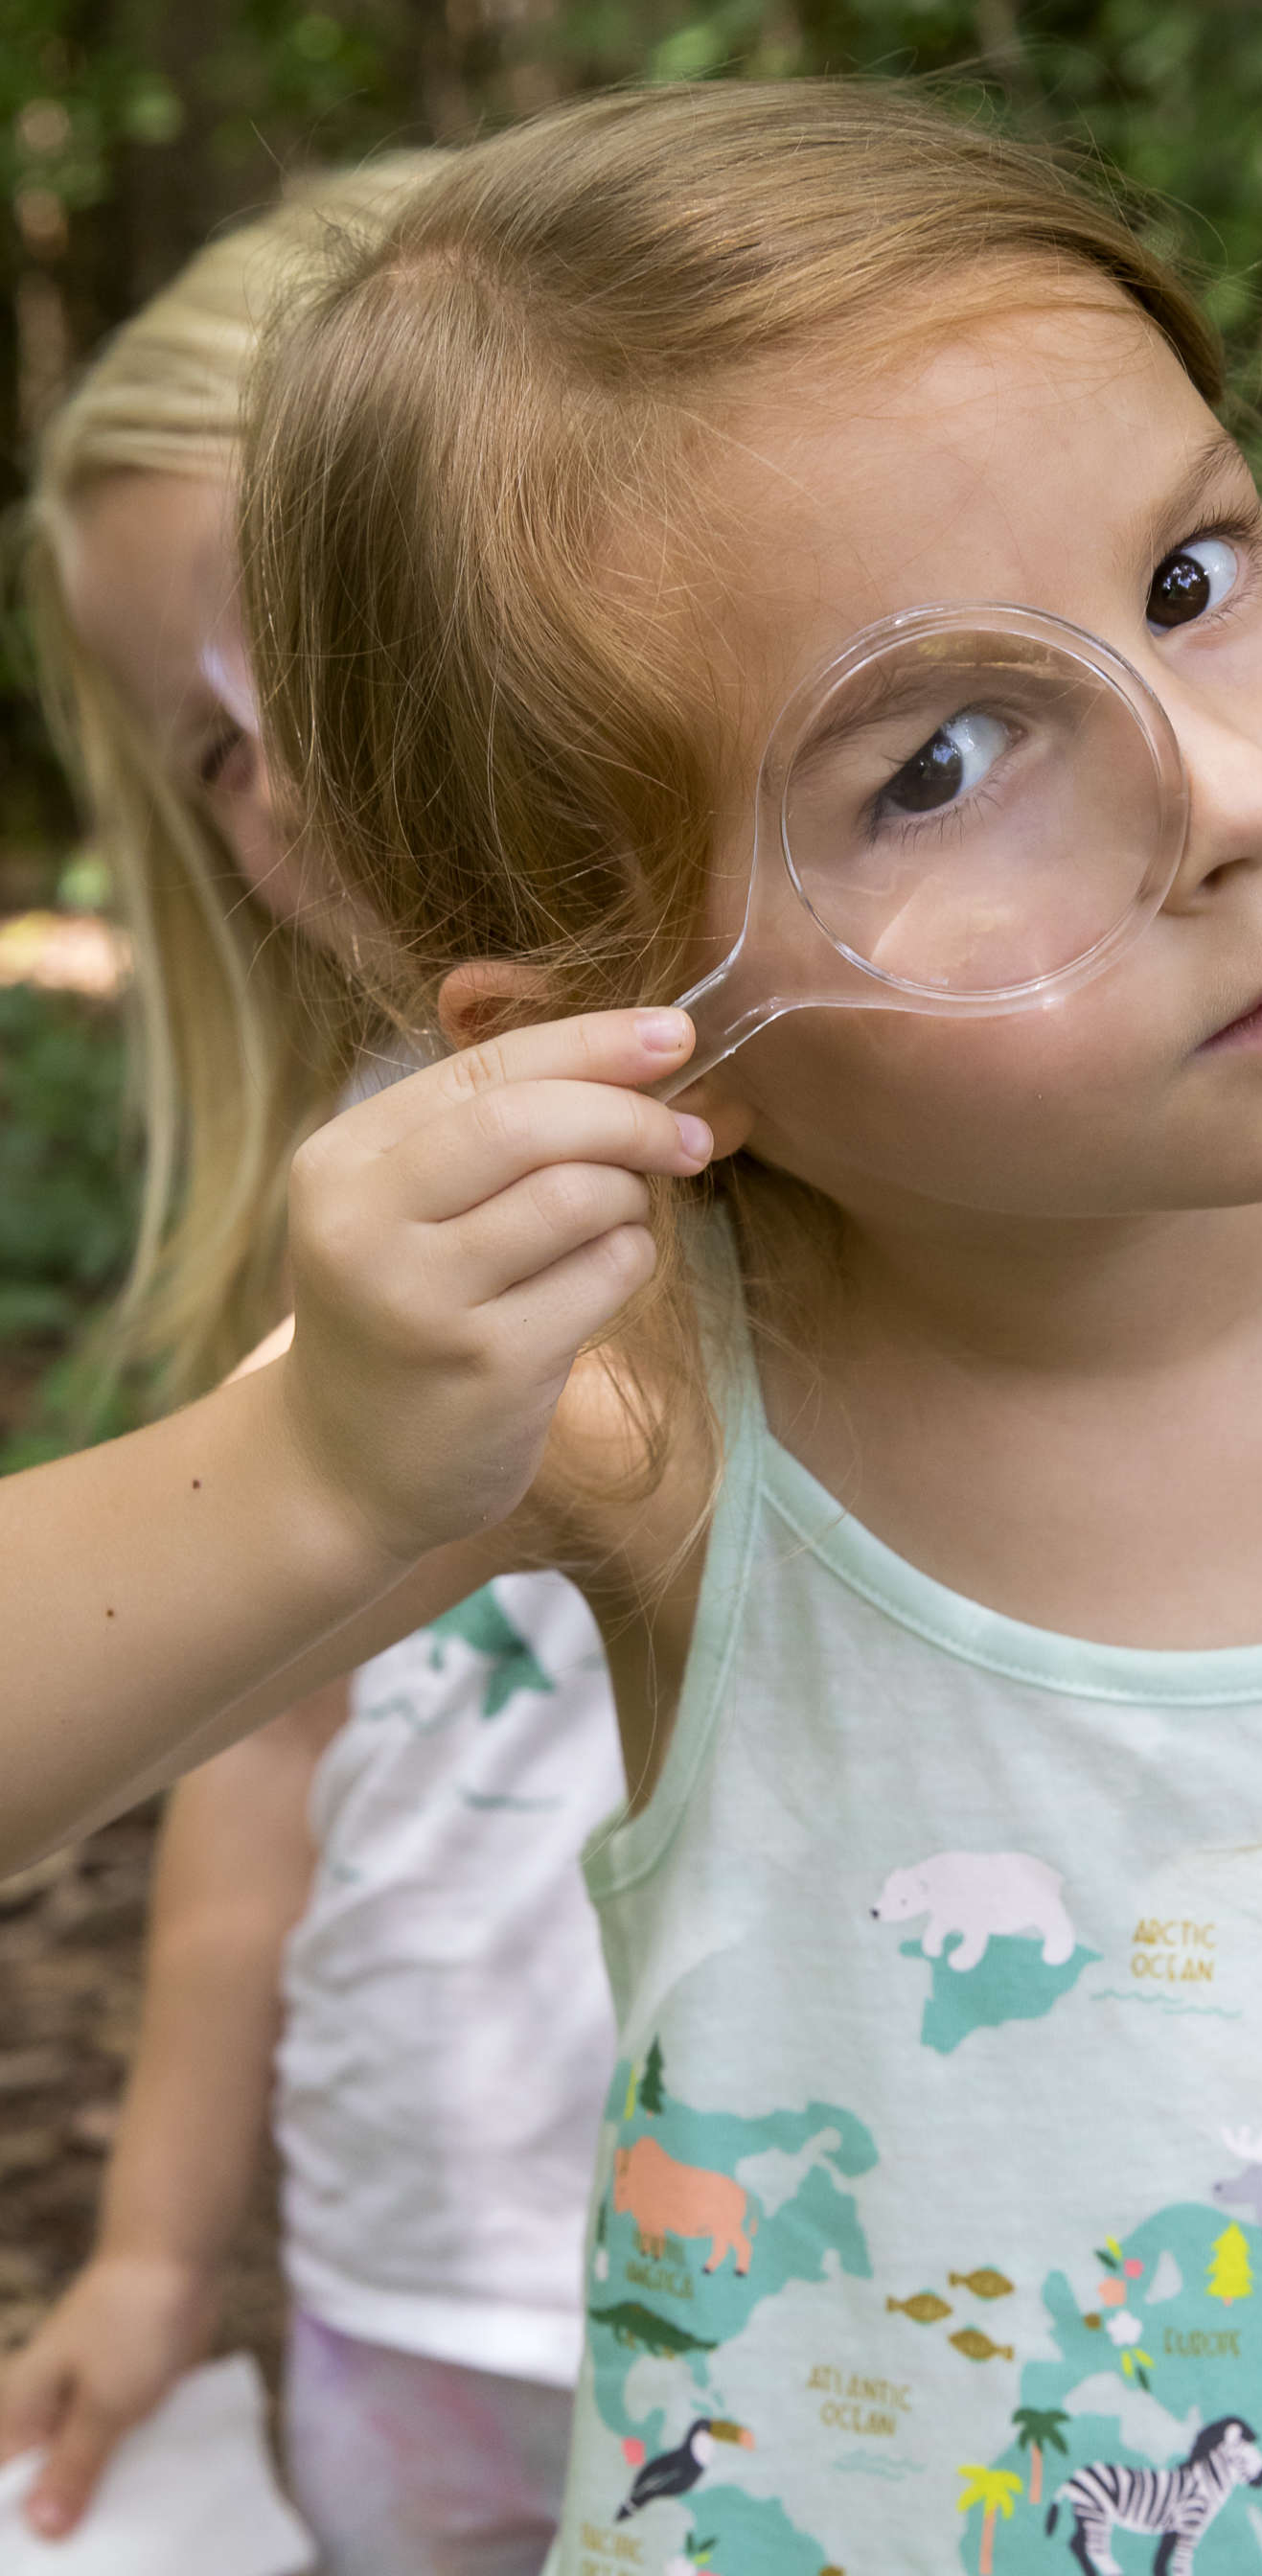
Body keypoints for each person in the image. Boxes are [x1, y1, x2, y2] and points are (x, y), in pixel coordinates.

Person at [1, 78, 1262, 2568]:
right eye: (941, 762)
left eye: (1192, 579)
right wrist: (319, 1469)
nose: (1224, 794)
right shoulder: (649, 1402)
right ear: (631, 1016)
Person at [0, 169, 621, 2576]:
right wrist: (159, 2252)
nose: (300, 765)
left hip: (873, 2251)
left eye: (334, 628)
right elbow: (262, 1751)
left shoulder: (982, 1129)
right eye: (214, 744)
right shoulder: (383, 1200)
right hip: (427, 2268)